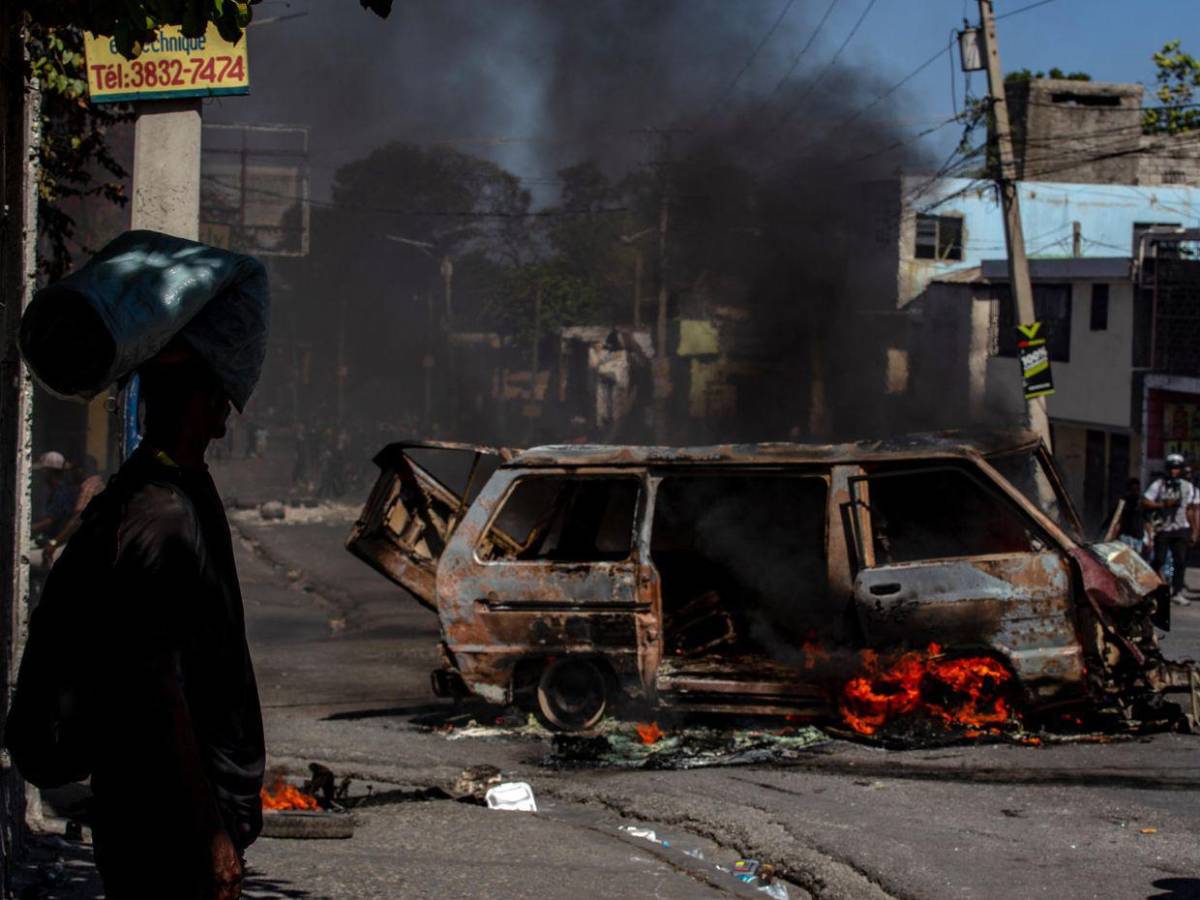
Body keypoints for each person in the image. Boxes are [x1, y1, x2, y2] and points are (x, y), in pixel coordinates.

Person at [62, 341, 265, 898]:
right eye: (218, 390)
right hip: (166, 817)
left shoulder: (177, 492)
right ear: (197, 404)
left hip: (170, 808)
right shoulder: (161, 513)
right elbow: (159, 679)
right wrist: (210, 834)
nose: (230, 401)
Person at [1143, 453, 1200, 607]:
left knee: (1180, 561)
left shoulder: (1189, 487)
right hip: (1163, 528)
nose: (1174, 471)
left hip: (1181, 528)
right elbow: (1146, 501)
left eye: (1177, 468)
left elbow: (1193, 510)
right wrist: (1163, 505)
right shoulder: (1159, 485)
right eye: (1172, 468)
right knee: (1159, 559)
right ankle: (1152, 587)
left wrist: (1195, 531)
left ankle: (1177, 592)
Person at [42, 455, 105, 567]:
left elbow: (77, 520)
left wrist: (54, 543)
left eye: (73, 470)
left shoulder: (89, 487)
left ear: (81, 470)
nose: (70, 474)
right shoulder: (99, 484)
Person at [30, 450, 79, 542]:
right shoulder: (53, 490)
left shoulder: (63, 492)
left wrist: (28, 529)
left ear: (49, 471)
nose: (41, 474)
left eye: (43, 470)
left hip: (57, 542)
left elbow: (50, 521)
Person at [1114, 477, 1148, 557]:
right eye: (1132, 489)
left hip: (1138, 536)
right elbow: (1117, 519)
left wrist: (1149, 539)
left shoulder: (1142, 503)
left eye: (1136, 489)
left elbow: (1147, 521)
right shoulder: (1123, 502)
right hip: (1126, 535)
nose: (1135, 492)